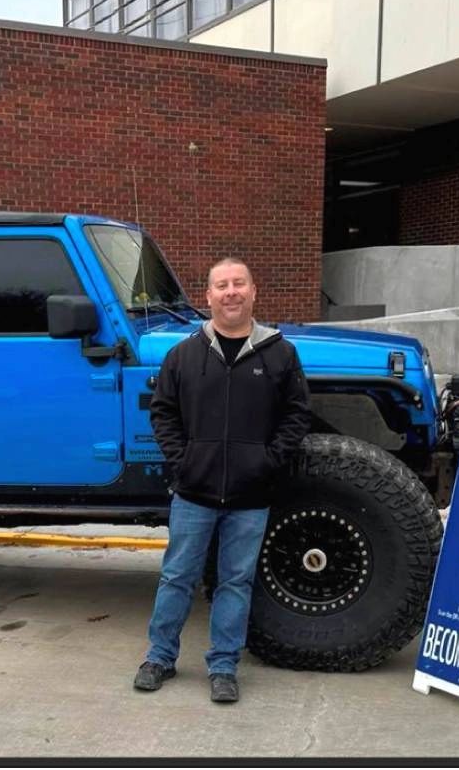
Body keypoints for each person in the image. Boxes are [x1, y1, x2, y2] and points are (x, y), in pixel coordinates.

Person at [133, 257, 311, 703]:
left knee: (235, 582)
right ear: (208, 296)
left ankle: (224, 666)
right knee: (177, 576)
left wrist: (268, 462)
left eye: (238, 284)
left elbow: (296, 415)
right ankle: (159, 657)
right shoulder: (184, 354)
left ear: (254, 292)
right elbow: (163, 413)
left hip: (251, 496)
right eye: (221, 285)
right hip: (194, 492)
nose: (230, 292)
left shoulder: (281, 354)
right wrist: (184, 461)